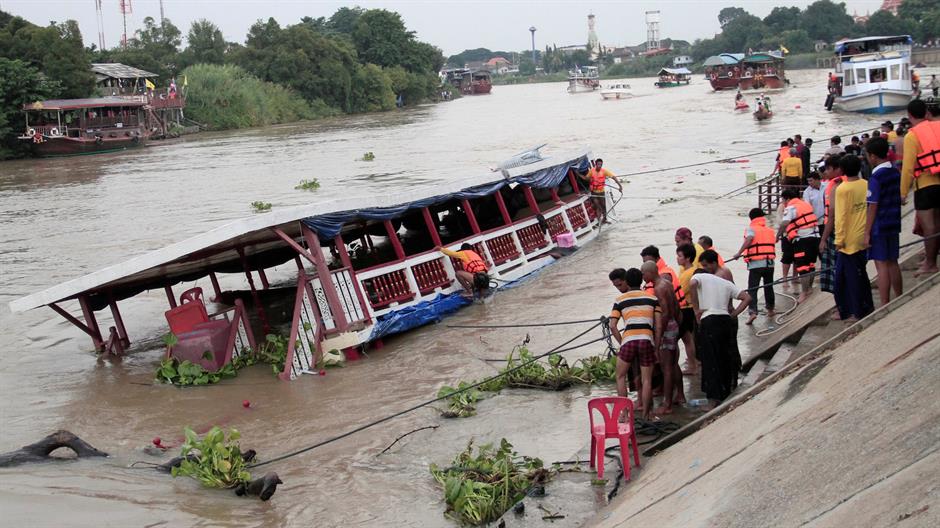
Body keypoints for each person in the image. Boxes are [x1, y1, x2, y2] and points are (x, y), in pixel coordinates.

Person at [687, 256, 751, 408]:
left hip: (710, 320)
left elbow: (692, 283)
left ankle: (713, 400)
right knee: (723, 357)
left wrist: (696, 309)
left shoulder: (699, 276)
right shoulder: (725, 282)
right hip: (725, 321)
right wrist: (733, 314)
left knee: (710, 361)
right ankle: (725, 392)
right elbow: (747, 298)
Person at [608, 267, 661, 420]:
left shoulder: (620, 300)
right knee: (647, 380)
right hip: (646, 340)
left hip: (629, 341)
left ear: (627, 282)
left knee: (620, 377)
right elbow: (658, 326)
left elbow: (612, 325)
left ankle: (624, 414)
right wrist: (655, 347)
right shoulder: (652, 299)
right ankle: (648, 415)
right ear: (641, 281)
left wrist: (622, 342)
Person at [901, 99, 940, 276]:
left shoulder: (912, 135)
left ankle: (930, 264)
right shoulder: (938, 126)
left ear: (909, 116)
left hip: (925, 185)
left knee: (929, 227)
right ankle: (930, 259)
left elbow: (908, 168)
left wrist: (902, 193)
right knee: (937, 224)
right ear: (926, 112)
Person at [834, 155, 875, 322]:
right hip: (863, 235)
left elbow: (841, 216)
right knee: (859, 274)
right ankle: (863, 307)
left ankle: (856, 312)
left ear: (842, 170)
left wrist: (839, 239)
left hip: (848, 240)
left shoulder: (843, 189)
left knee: (847, 279)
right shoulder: (866, 184)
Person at [641, 261, 685, 415]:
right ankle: (680, 395)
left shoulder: (658, 288)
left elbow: (664, 312)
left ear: (650, 273)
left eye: (643, 274)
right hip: (674, 324)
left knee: (666, 367)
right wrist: (676, 324)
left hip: (667, 327)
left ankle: (667, 404)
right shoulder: (667, 283)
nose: (642, 277)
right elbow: (677, 307)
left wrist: (658, 334)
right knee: (673, 364)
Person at [864, 137, 903, 306]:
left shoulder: (875, 178)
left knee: (881, 265)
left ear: (873, 156)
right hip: (894, 221)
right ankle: (899, 296)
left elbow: (872, 206)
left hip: (879, 224)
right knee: (893, 261)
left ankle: (885, 303)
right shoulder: (894, 172)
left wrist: (866, 233)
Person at [732, 208, 777, 325]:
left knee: (753, 288)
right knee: (769, 287)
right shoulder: (769, 230)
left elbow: (750, 239)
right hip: (770, 264)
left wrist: (739, 253)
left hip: (756, 264)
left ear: (751, 218)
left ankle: (752, 312)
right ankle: (771, 310)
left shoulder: (751, 229)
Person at [777, 187, 820, 303]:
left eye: (783, 200)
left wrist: (778, 235)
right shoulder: (805, 204)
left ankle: (804, 293)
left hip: (803, 240)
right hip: (815, 238)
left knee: (803, 267)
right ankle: (809, 289)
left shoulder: (791, 207)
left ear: (787, 199)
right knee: (810, 265)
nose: (783, 203)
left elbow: (785, 223)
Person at [819, 155, 845, 303]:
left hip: (836, 232)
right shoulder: (857, 182)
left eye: (828, 169)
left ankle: (840, 304)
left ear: (837, 169)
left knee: (835, 271)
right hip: (845, 230)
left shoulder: (836, 187)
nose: (826, 172)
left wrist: (823, 239)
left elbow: (833, 216)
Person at [675, 243, 699, 375]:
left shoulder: (687, 274)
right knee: (688, 338)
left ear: (688, 258)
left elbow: (679, 293)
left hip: (685, 309)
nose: (677, 258)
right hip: (690, 309)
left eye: (680, 256)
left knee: (679, 339)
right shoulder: (690, 270)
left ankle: (691, 365)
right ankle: (693, 364)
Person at [580, 158, 622, 224]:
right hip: (594, 192)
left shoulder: (604, 171)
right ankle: (599, 220)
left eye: (601, 164)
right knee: (597, 206)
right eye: (598, 164)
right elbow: (586, 178)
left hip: (601, 192)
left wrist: (620, 186)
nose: (599, 166)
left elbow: (613, 177)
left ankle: (604, 219)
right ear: (596, 164)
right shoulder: (592, 171)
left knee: (603, 206)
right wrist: (578, 174)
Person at [803, 171, 826, 237]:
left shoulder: (827, 186)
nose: (809, 183)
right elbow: (807, 207)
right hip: (817, 221)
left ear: (817, 180)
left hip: (828, 219)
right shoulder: (807, 192)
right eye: (808, 181)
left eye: (811, 181)